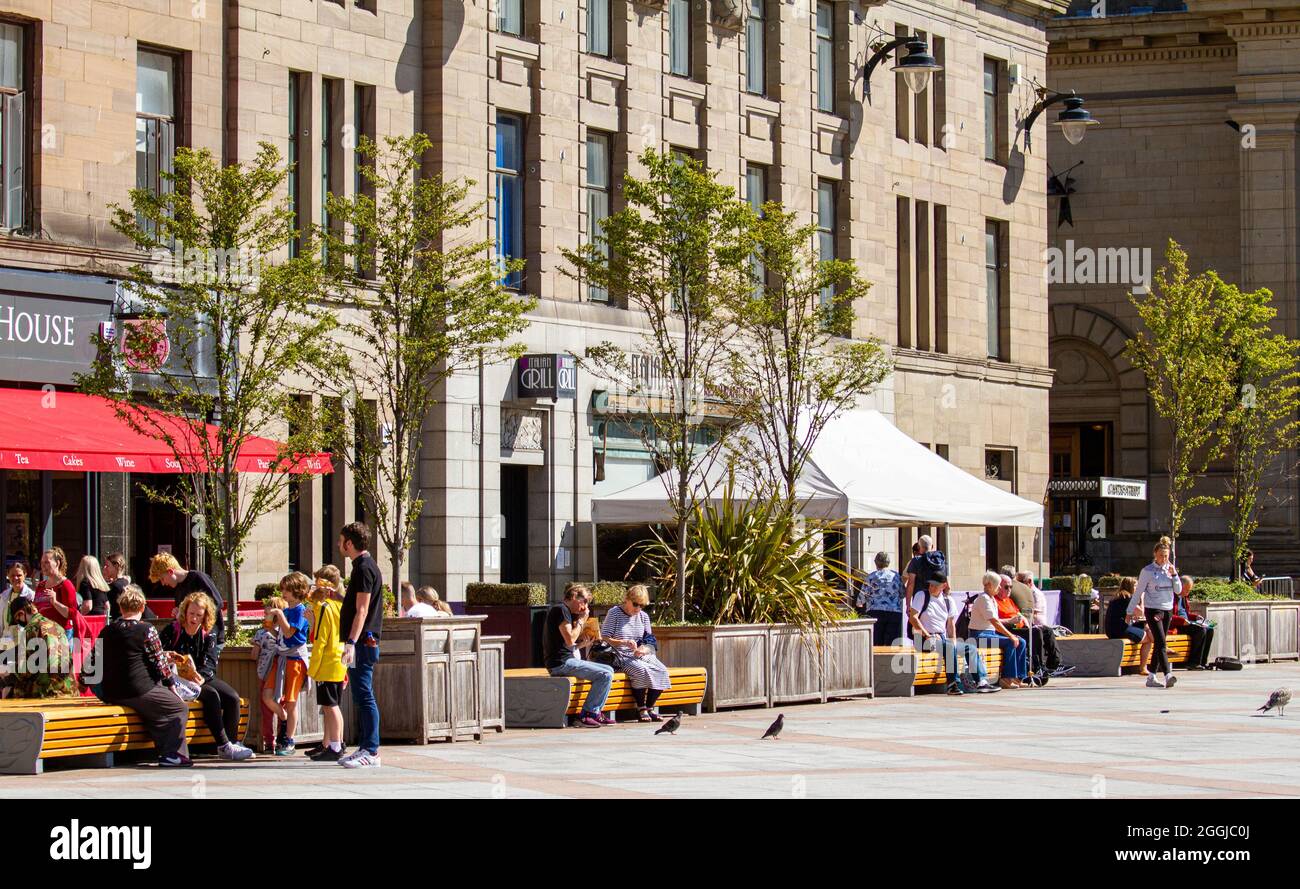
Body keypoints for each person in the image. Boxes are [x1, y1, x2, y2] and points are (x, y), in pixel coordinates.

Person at [95, 584, 191, 767]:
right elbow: (159, 662)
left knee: (155, 709)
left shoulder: (107, 630)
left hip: (111, 692)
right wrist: (172, 686)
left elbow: (93, 659)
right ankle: (172, 754)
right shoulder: (146, 629)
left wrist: (84, 683)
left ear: (121, 608)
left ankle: (165, 751)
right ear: (141, 608)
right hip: (138, 689)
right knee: (178, 707)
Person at [160, 591, 255, 761]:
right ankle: (223, 745)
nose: (194, 618)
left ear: (205, 616)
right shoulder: (172, 630)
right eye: (191, 613)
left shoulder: (208, 633)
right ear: (185, 612)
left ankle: (232, 742)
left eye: (198, 615)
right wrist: (169, 657)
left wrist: (200, 675)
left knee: (232, 697)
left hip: (200, 677)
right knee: (211, 695)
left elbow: (210, 662)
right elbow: (158, 654)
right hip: (178, 679)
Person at [338, 521, 384, 768]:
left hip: (363, 642)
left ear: (349, 543)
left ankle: (371, 750)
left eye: (340, 540)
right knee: (360, 694)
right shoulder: (363, 567)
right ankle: (366, 747)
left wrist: (351, 642)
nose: (338, 545)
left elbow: (362, 609)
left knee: (365, 695)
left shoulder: (364, 568)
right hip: (362, 642)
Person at [908, 574, 998, 695]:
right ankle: (953, 684)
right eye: (930, 584)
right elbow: (913, 618)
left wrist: (954, 641)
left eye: (935, 585)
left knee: (970, 648)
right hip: (924, 639)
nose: (932, 587)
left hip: (942, 638)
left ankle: (981, 682)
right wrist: (927, 635)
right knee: (949, 647)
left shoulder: (948, 600)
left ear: (944, 585)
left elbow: (950, 625)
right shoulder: (922, 595)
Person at [545, 582, 615, 727]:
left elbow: (567, 645)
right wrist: (582, 621)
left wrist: (583, 644)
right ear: (574, 597)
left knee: (609, 670)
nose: (584, 608)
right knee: (605, 674)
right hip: (560, 664)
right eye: (583, 602)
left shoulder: (566, 612)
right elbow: (570, 639)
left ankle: (596, 712)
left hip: (566, 659)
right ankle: (587, 714)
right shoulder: (560, 610)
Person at [601, 584, 672, 721]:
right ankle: (641, 707)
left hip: (639, 653)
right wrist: (623, 642)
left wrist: (643, 649)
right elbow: (604, 637)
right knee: (641, 670)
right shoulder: (614, 613)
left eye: (642, 605)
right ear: (627, 599)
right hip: (619, 654)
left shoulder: (643, 616)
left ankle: (650, 707)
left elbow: (649, 639)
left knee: (662, 670)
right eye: (635, 604)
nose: (638, 608)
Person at [264, 572, 312, 756]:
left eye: (287, 590)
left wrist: (278, 614)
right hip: (281, 657)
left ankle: (289, 739)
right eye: (282, 589)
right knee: (267, 696)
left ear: (297, 591)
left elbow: (290, 633)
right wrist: (270, 630)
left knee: (291, 701)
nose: (283, 593)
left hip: (295, 660)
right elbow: (282, 635)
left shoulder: (301, 610)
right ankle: (283, 718)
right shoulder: (286, 611)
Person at [33, 547, 94, 687]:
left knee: (65, 672)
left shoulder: (65, 585)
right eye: (42, 563)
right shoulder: (41, 585)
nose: (43, 566)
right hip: (43, 635)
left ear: (58, 563)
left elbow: (72, 614)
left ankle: (73, 697)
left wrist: (55, 602)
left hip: (62, 634)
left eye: (47, 562)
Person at [306, 565, 348, 761]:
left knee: (331, 705)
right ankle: (335, 743)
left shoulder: (326, 607)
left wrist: (313, 665)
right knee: (332, 704)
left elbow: (320, 638)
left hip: (327, 660)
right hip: (338, 658)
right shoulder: (339, 604)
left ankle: (336, 745)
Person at [0, 598, 79, 698]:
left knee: (7, 691)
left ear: (21, 613)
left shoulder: (31, 629)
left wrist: (8, 671)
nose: (19, 623)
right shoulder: (57, 627)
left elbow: (25, 671)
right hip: (68, 690)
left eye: (17, 619)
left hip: (48, 692)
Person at [149, 553, 226, 648]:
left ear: (170, 571)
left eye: (162, 579)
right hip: (191, 641)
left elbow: (217, 603)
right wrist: (179, 612)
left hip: (210, 639)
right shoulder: (178, 589)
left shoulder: (198, 577)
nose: (163, 583)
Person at [1131, 536, 1179, 689]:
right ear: (1155, 555)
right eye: (1161, 556)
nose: (1164, 559)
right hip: (1153, 609)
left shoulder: (1170, 570)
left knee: (1159, 643)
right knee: (1161, 642)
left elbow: (1178, 590)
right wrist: (1129, 610)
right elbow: (1138, 592)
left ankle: (1151, 676)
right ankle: (1167, 675)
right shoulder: (1147, 571)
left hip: (1167, 609)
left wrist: (1174, 575)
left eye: (1166, 556)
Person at [969, 570, 1029, 689]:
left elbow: (995, 622)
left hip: (989, 634)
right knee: (1011, 641)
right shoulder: (984, 599)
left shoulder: (991, 599)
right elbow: (995, 622)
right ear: (989, 585)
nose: (999, 588)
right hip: (979, 637)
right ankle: (1006, 678)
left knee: (1021, 641)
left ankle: (1018, 678)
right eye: (997, 585)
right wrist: (1010, 635)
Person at [1010, 571, 1070, 680]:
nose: (1017, 586)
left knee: (1046, 631)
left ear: (1028, 581)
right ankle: (1040, 666)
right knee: (1038, 632)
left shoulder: (1032, 593)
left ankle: (1054, 664)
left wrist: (1024, 614)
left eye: (1020, 582)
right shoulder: (1023, 593)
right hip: (1022, 626)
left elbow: (1031, 612)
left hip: (1032, 623)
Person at [252, 595, 287, 754]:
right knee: (277, 704)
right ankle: (277, 740)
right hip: (274, 673)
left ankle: (273, 741)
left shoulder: (268, 633)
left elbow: (254, 655)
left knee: (269, 707)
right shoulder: (278, 632)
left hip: (269, 672)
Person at [1105, 576, 1154, 675]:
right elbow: (1141, 613)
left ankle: (1161, 645)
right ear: (1130, 586)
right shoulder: (1128, 597)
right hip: (1120, 629)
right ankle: (1143, 668)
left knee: (1146, 626)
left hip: (1111, 630)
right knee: (1148, 640)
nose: (1137, 588)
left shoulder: (1118, 596)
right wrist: (1142, 598)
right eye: (1136, 585)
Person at [860, 552, 904, 645]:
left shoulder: (871, 577)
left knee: (876, 642)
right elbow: (902, 593)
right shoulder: (896, 576)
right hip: (894, 612)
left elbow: (863, 594)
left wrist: (860, 603)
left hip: (875, 612)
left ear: (876, 563)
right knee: (892, 643)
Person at [1172, 575, 1216, 670]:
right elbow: (1168, 616)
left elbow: (1186, 613)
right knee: (1200, 630)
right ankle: (1193, 662)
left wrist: (1196, 617)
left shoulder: (1184, 598)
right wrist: (1182, 620)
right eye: (1187, 590)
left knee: (1209, 629)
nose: (1188, 593)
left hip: (1187, 622)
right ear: (1180, 586)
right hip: (1178, 625)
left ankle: (1203, 662)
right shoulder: (1171, 596)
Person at [903, 535, 944, 603]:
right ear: (932, 546)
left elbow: (911, 584)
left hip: (919, 600)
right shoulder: (940, 561)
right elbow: (946, 585)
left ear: (919, 547)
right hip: (937, 600)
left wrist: (908, 604)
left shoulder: (915, 561)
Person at [0, 561, 33, 636]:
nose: (15, 578)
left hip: (23, 641)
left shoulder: (31, 596)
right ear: (7, 575)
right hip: (5, 641)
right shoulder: (3, 596)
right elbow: (1, 623)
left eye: (19, 575)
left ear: (25, 575)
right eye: (12, 575)